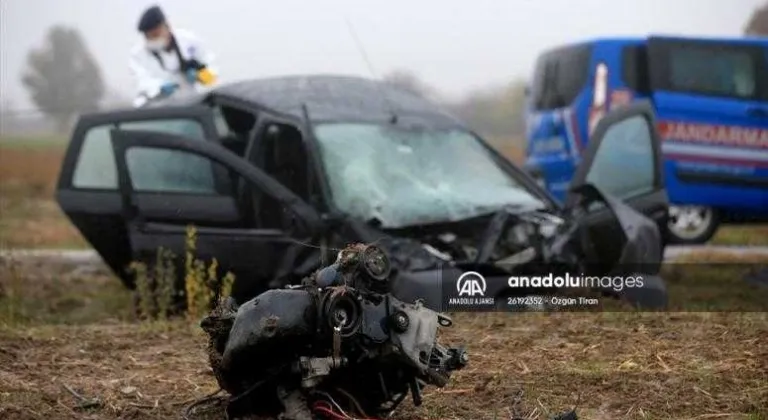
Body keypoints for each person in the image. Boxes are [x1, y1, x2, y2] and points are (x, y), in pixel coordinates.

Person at [130, 5, 218, 106]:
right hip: (160, 108)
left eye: (156, 35)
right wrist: (159, 87)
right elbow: (141, 82)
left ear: (167, 27)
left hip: (191, 104)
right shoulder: (138, 54)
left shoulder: (189, 41)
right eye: (148, 37)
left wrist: (200, 76)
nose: (152, 40)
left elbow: (212, 72)